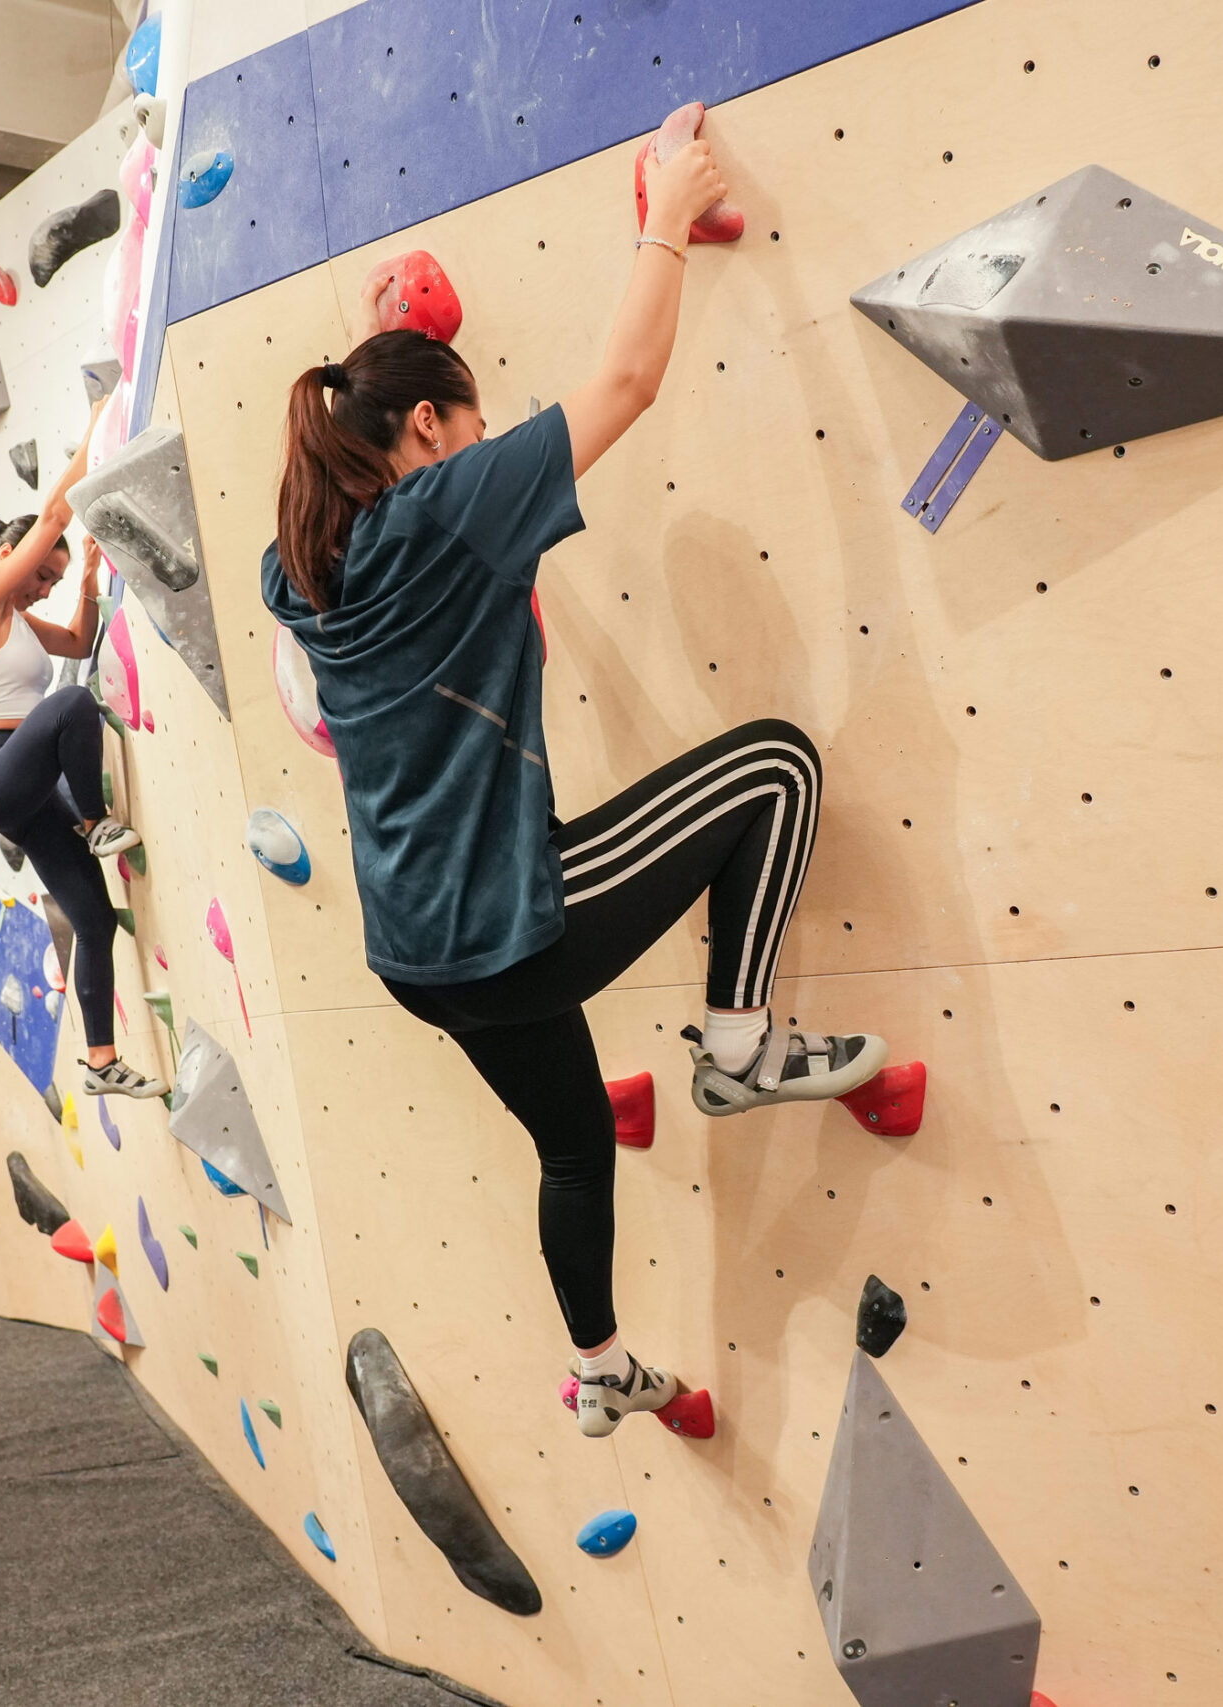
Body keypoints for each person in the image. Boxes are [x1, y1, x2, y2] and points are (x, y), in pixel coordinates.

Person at [261, 120, 886, 1438]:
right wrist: (666, 212)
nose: (493, 448)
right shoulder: (444, 510)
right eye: (472, 425)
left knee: (571, 1140)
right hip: (499, 924)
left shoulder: (306, 562)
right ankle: (739, 1042)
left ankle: (601, 1360)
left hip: (415, 955)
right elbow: (628, 378)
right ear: (428, 430)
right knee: (772, 766)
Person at [0, 401, 163, 1100]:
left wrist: (90, 582)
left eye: (51, 581)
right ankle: (97, 821)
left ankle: (101, 1060)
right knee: (71, 703)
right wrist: (96, 426)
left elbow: (76, 643)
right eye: (41, 576)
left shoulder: (19, 621)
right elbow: (52, 518)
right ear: (8, 559)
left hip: (32, 786)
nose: (44, 588)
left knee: (95, 918)